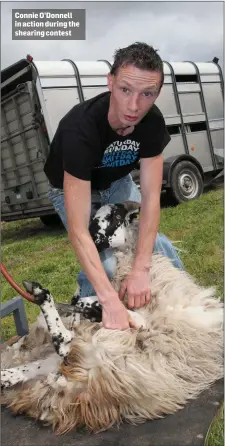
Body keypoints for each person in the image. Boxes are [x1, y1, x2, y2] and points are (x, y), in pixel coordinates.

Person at [44, 42, 184, 331]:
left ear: (158, 93)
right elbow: (79, 232)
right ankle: (84, 325)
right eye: (125, 90)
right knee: (105, 266)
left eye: (147, 94)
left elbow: (151, 201)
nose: (134, 106)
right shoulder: (79, 129)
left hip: (117, 182)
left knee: (162, 248)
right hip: (72, 189)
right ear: (110, 82)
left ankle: (183, 316)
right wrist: (109, 299)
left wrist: (141, 271)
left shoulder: (152, 123)